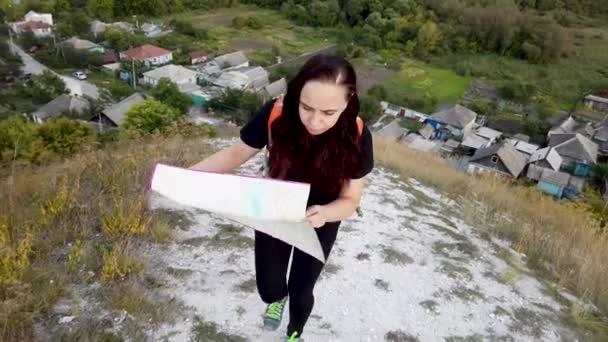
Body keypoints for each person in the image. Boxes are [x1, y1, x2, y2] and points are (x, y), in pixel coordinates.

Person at [189, 54, 374, 341]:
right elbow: (235, 154)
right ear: (296, 94)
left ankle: (294, 332)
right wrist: (186, 177)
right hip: (274, 207)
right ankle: (277, 299)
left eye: (328, 113)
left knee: (302, 289)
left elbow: (350, 200)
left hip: (320, 220)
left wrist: (325, 213)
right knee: (269, 286)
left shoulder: (357, 134)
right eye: (306, 107)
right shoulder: (276, 114)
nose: (314, 121)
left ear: (348, 103)